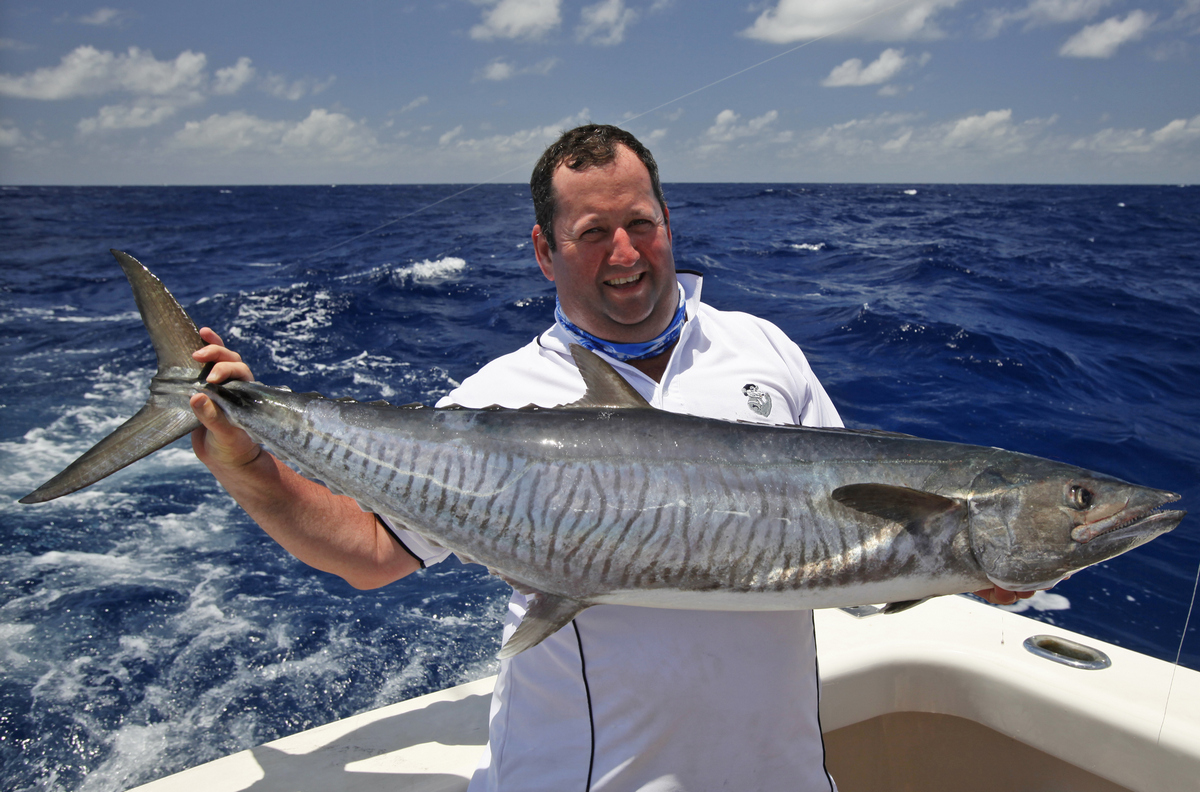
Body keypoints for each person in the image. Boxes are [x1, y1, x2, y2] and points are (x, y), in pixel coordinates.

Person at [189, 124, 1032, 791]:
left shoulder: (764, 350)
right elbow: (372, 555)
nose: (625, 254)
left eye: (641, 224)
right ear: (544, 249)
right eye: (593, 233)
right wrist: (247, 464)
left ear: (669, 223)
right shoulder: (502, 393)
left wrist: (965, 569)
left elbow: (854, 553)